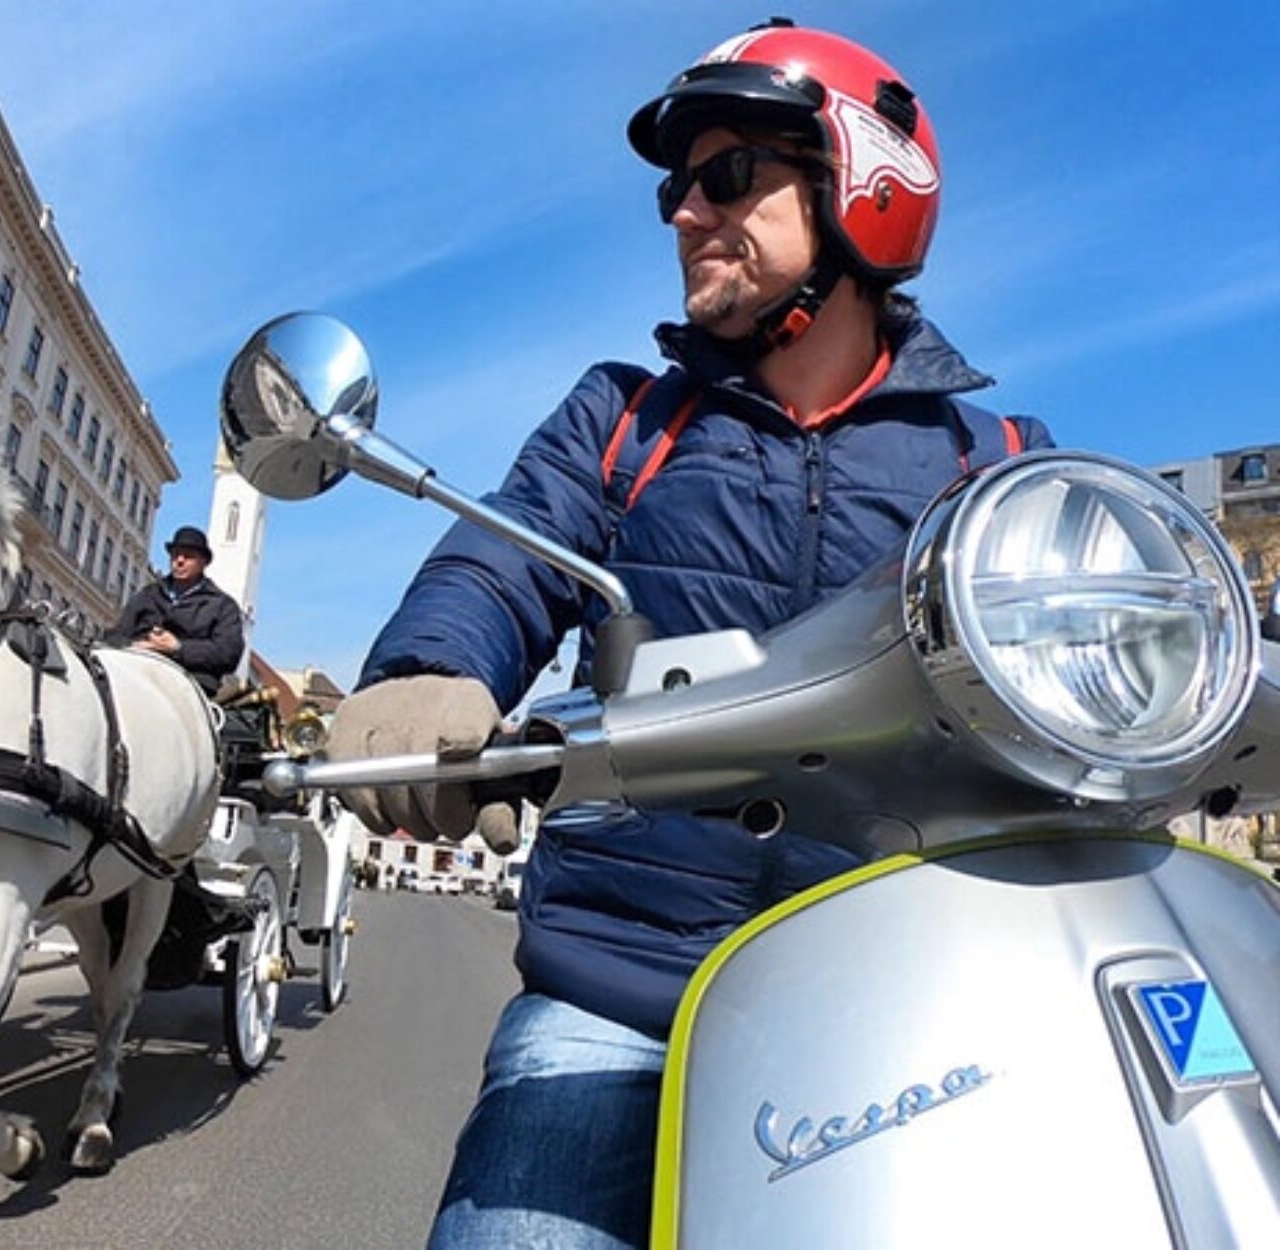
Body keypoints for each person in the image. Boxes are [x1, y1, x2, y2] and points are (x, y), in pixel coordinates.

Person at [328, 18, 1053, 1248]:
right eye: (677, 184)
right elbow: (510, 553)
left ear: (859, 191)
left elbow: (1096, 644)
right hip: (626, 975)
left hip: (906, 979)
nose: (683, 211)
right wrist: (432, 668)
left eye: (729, 175)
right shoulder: (626, 419)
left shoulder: (994, 467)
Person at [107, 525, 245, 696]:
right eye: (175, 555)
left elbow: (228, 654)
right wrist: (135, 646)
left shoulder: (222, 605)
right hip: (136, 672)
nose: (179, 560)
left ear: (204, 562)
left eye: (188, 556)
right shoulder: (148, 594)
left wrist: (178, 648)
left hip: (190, 684)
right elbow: (116, 634)